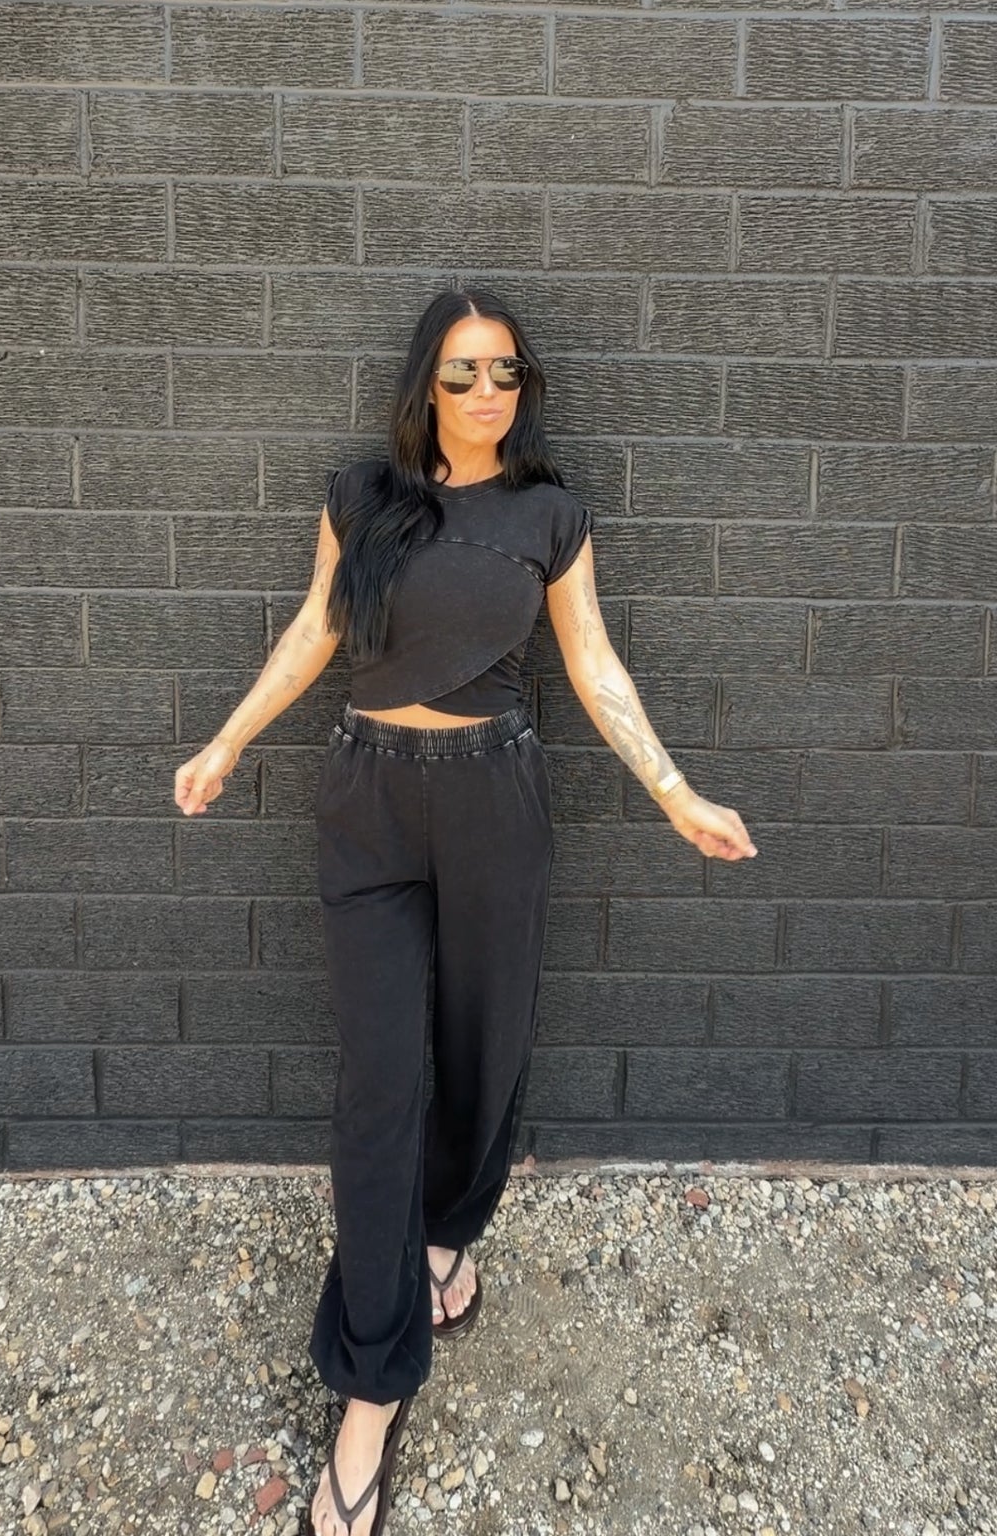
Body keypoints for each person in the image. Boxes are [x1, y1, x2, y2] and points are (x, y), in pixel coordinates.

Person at [174, 286, 758, 1536]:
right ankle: (370, 1388)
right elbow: (314, 631)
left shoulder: (551, 515)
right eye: (460, 372)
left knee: (484, 1052)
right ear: (423, 384)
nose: (486, 392)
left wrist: (674, 791)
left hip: (496, 796)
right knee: (378, 1084)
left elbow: (592, 662)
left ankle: (447, 1229)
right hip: (369, 804)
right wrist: (227, 738)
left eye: (503, 372)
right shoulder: (363, 497)